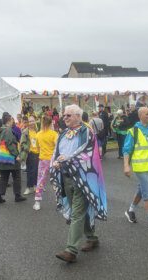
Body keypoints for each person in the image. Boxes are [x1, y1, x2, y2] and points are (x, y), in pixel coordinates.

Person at [51, 104, 107, 263]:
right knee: (80, 212)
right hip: (66, 177)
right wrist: (55, 162)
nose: (64, 118)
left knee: (77, 212)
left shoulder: (87, 132)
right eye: (64, 115)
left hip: (82, 178)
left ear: (77, 116)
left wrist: (67, 159)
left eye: (68, 115)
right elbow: (56, 152)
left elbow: (86, 153)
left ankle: (71, 250)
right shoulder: (63, 134)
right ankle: (92, 237)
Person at [0, 113, 26, 204]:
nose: (13, 121)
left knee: (3, 177)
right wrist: (17, 155)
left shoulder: (0, 130)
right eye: (12, 120)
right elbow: (10, 144)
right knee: (17, 176)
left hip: (2, 158)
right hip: (11, 159)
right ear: (9, 121)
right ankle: (17, 195)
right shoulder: (8, 130)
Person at [33, 115, 58, 211]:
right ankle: (59, 200)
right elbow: (57, 146)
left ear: (42, 123)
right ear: (51, 122)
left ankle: (37, 202)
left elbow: (37, 148)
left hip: (43, 160)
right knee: (56, 181)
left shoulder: (38, 134)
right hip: (53, 160)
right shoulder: (54, 134)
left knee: (40, 181)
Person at [20, 116, 39, 195]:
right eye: (30, 121)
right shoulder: (25, 132)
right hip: (29, 153)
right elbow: (22, 143)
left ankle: (35, 186)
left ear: (35, 122)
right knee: (29, 171)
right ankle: (28, 187)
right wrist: (27, 148)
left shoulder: (37, 131)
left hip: (38, 153)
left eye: (32, 121)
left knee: (36, 171)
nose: (31, 123)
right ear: (28, 123)